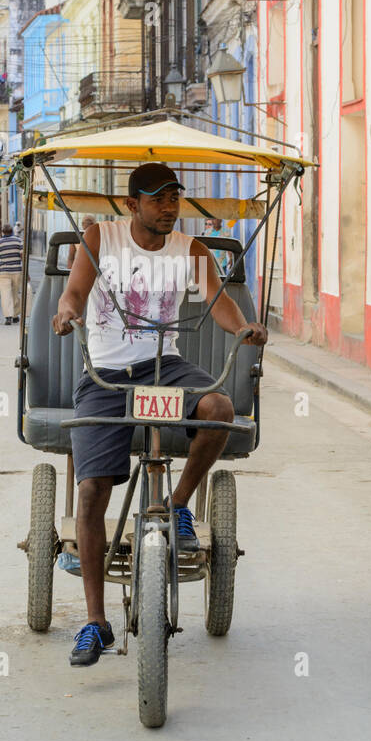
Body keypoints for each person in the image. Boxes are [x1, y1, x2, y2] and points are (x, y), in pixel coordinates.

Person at [52, 162, 267, 666]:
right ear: (133, 205)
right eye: (159, 198)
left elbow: (218, 302)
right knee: (90, 492)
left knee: (219, 407)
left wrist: (242, 328)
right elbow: (75, 292)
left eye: (175, 197)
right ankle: (95, 622)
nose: (170, 206)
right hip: (105, 375)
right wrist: (66, 311)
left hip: (162, 368)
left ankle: (177, 503)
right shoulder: (99, 237)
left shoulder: (189, 249)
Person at [0, 222, 23, 323]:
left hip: (4, 272)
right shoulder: (19, 241)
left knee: (5, 294)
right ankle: (14, 315)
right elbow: (23, 256)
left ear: (2, 232)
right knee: (15, 293)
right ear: (12, 231)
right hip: (17, 271)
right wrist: (26, 272)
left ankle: (8, 316)